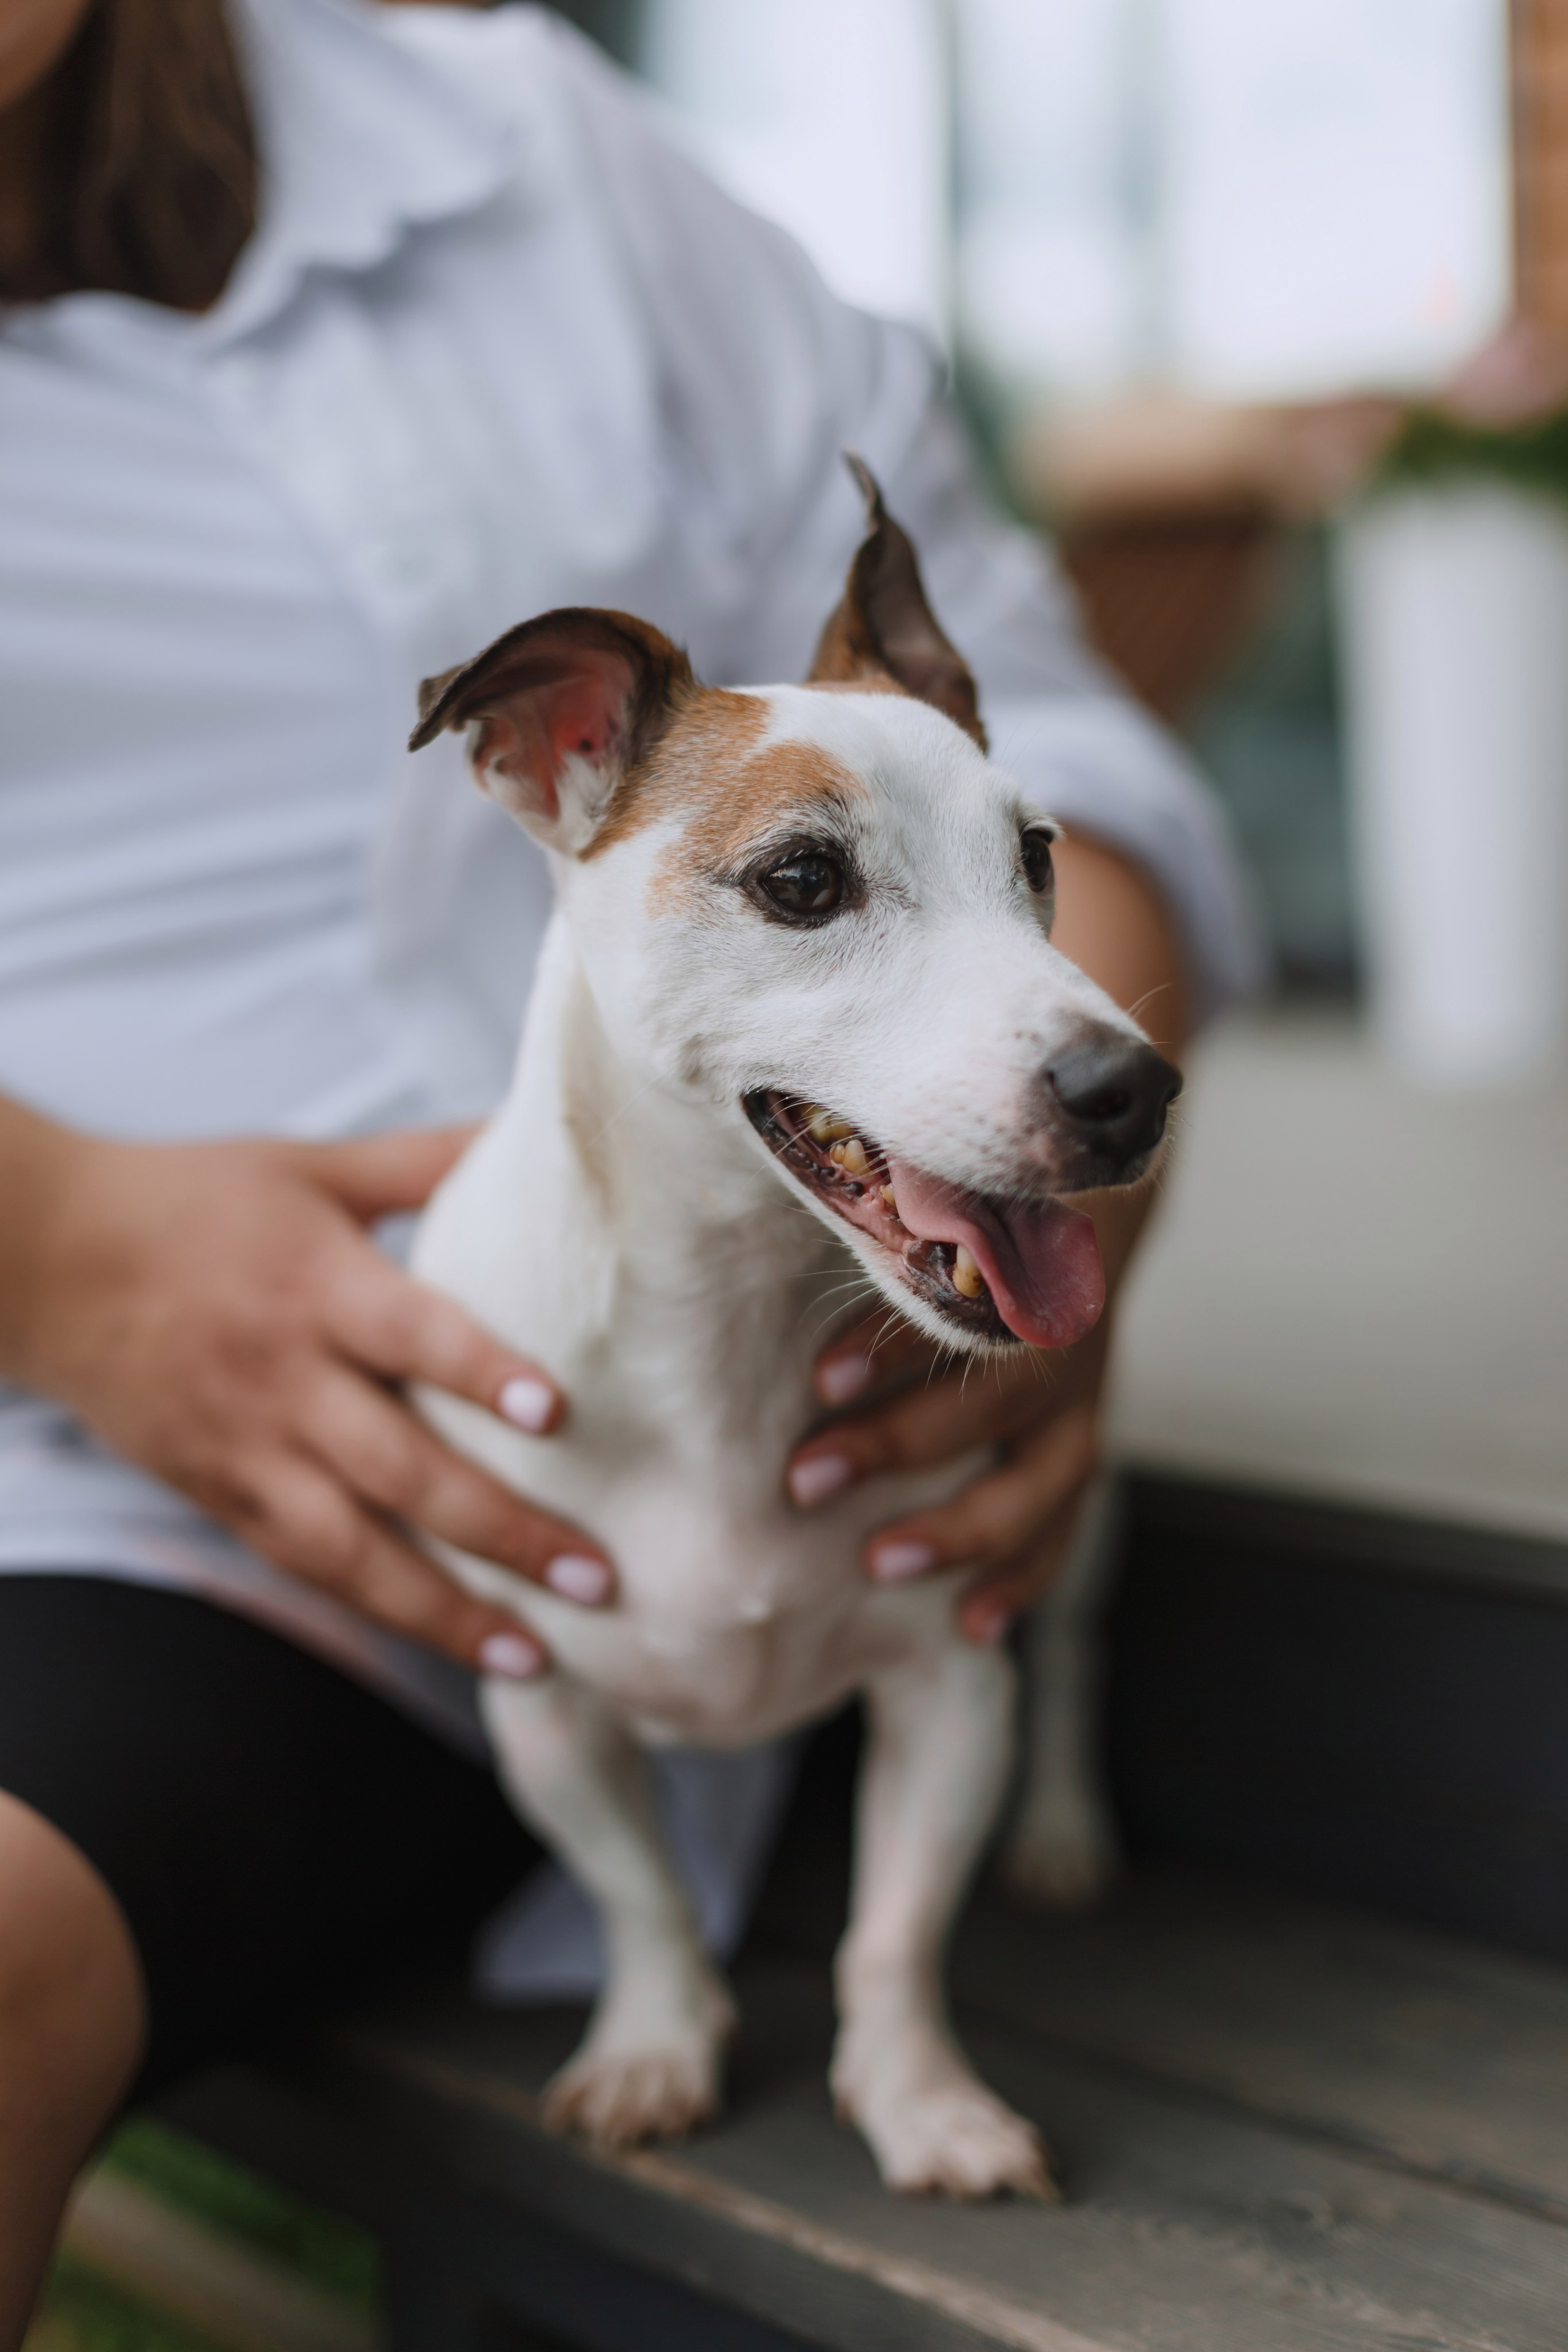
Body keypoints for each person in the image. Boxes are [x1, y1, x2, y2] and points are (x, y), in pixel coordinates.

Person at [0, 0, 1258, 2332]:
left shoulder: (537, 142)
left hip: (829, 1420)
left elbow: (1023, 720)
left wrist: (1073, 1139)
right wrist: (46, 1242)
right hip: (104, 1505)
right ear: (540, 748)